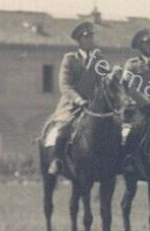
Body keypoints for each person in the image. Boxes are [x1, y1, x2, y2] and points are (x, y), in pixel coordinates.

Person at [41, 21, 103, 175]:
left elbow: (104, 81)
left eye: (92, 36)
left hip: (93, 106)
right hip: (72, 105)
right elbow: (65, 85)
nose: (90, 40)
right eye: (87, 37)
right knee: (64, 126)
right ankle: (57, 160)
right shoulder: (69, 59)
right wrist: (79, 100)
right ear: (80, 40)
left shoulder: (98, 60)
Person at [119, 28, 150, 170]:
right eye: (147, 43)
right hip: (138, 108)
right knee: (130, 132)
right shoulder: (131, 64)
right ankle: (128, 159)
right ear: (140, 46)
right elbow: (130, 87)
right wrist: (147, 102)